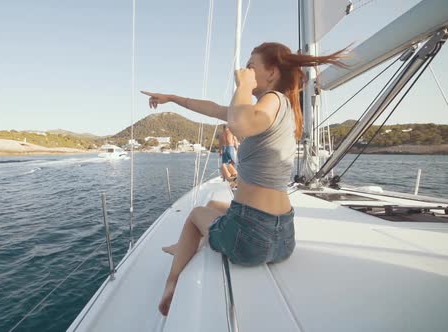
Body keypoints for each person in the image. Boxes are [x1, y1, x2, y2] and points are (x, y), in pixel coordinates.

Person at [142, 42, 345, 317]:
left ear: (271, 73)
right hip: (284, 236)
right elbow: (214, 109)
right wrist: (173, 97)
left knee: (195, 214)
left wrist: (244, 86)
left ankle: (171, 282)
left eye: (251, 66)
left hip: (250, 239)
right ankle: (185, 245)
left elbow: (239, 125)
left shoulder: (272, 99)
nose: (244, 70)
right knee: (214, 204)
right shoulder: (278, 109)